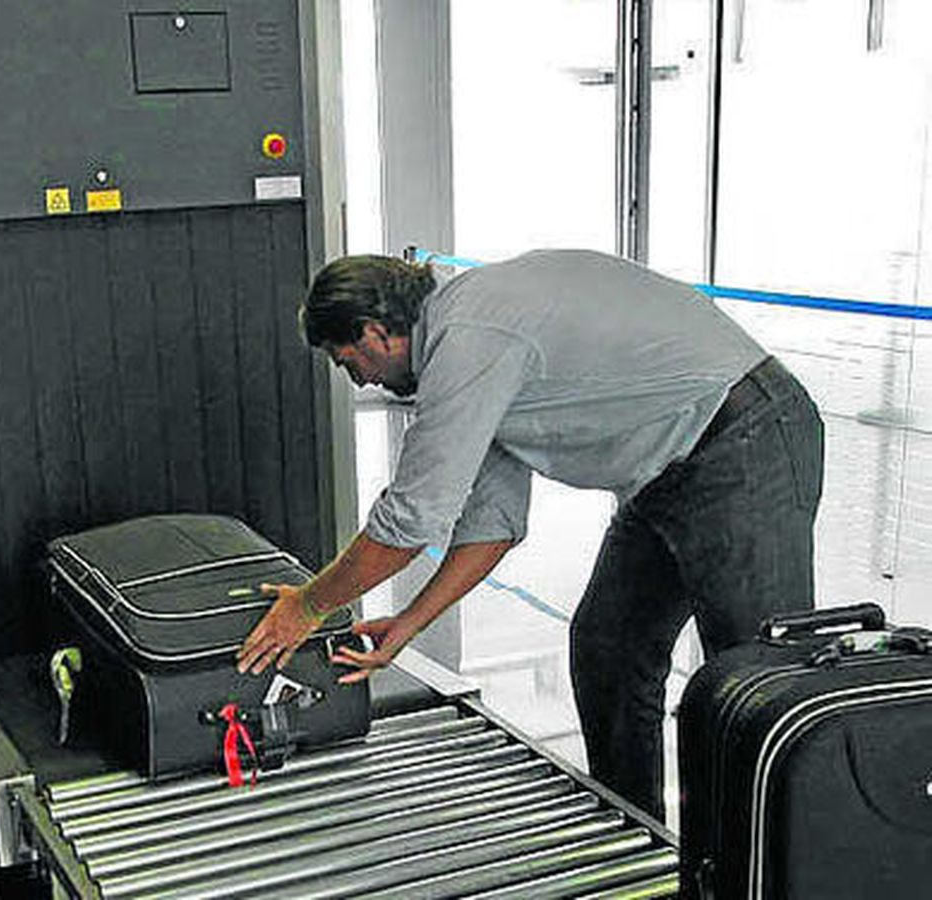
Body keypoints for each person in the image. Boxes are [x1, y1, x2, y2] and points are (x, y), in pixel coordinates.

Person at [237, 248, 824, 821]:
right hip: (668, 469)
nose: (360, 382)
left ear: (373, 334)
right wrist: (410, 623)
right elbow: (493, 527)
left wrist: (309, 605)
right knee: (608, 650)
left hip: (743, 439)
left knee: (759, 684)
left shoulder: (469, 339)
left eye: (348, 363)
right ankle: (638, 841)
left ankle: (771, 873)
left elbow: (410, 521)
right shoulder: (467, 349)